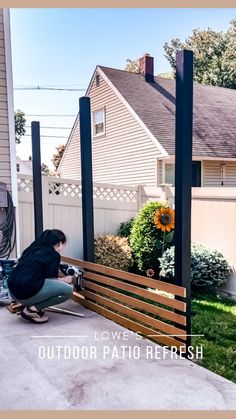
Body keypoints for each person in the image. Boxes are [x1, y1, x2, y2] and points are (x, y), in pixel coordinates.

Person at [7, 229, 73, 324]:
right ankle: (32, 310)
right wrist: (65, 280)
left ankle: (30, 305)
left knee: (38, 282)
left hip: (13, 292)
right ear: (59, 243)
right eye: (63, 244)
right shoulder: (53, 254)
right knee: (68, 290)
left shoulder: (31, 249)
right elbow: (51, 278)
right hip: (24, 294)